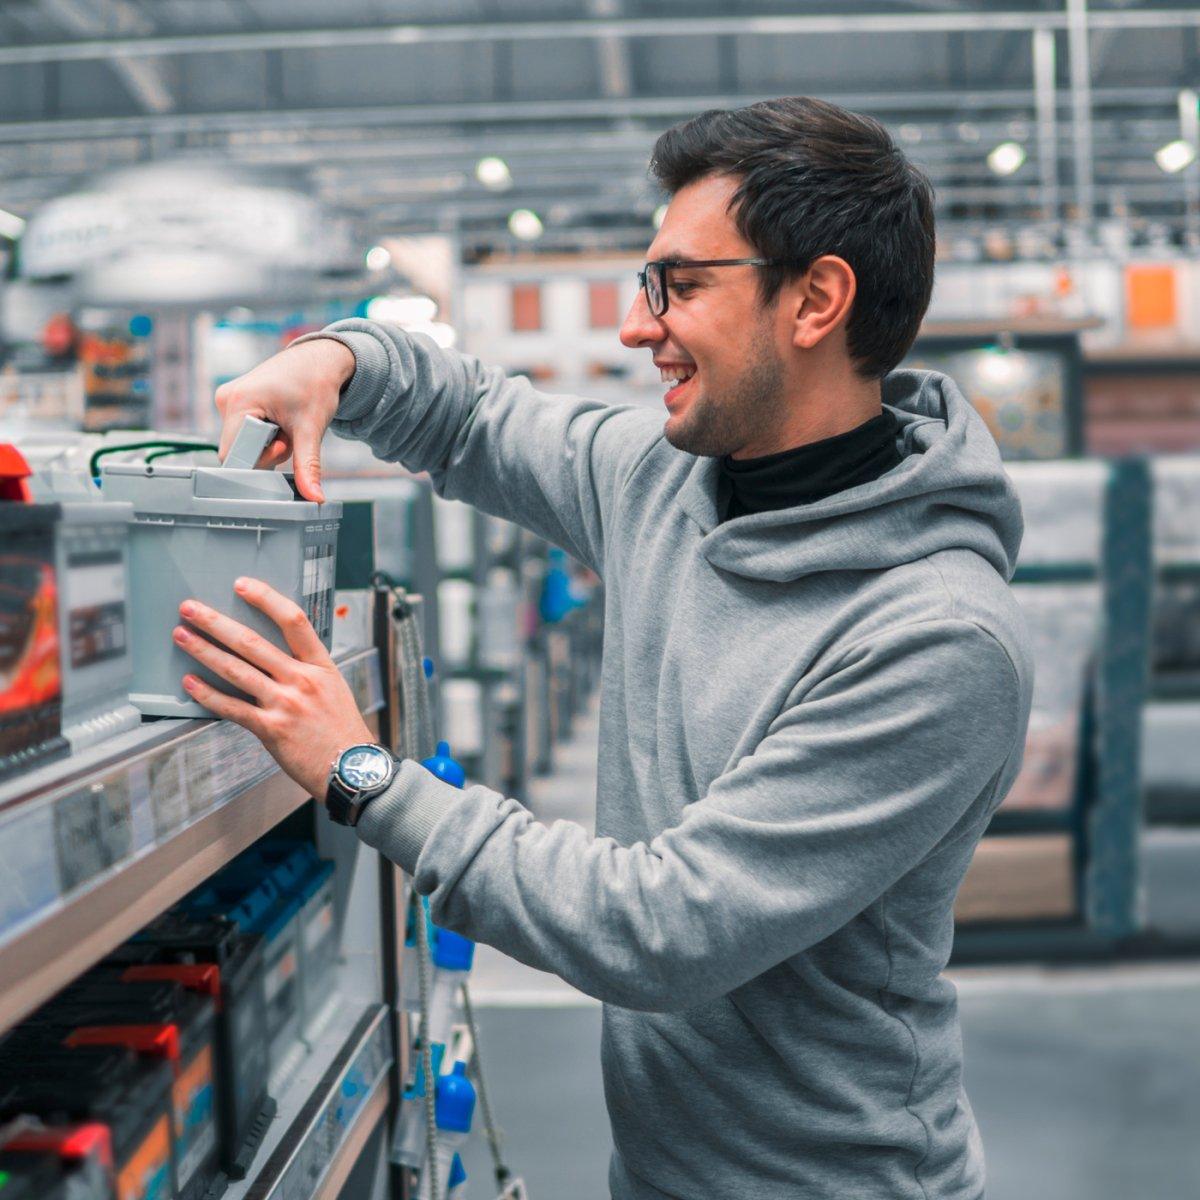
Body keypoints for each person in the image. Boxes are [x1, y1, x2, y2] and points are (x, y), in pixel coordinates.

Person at [181, 97, 1033, 1199]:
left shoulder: (936, 638)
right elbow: (472, 417)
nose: (640, 327)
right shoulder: (665, 479)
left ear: (816, 299)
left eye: (681, 285)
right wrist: (338, 360)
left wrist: (362, 774)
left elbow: (661, 928)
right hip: (663, 1170)